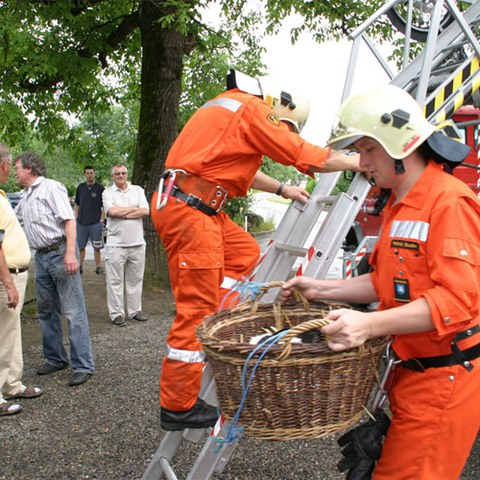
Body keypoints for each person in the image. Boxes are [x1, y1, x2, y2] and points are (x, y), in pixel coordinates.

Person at [280, 84, 480, 479]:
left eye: (367, 149)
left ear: (399, 144)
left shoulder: (448, 201)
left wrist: (368, 324)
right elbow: (386, 281)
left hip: (445, 379)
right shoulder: (401, 202)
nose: (361, 161)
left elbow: (458, 301)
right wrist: (321, 289)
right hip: (411, 373)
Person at [150, 69, 364, 431]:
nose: (283, 132)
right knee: (195, 311)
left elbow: (242, 172)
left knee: (245, 252)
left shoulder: (229, 110)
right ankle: (177, 405)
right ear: (285, 111)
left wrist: (283, 190)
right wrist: (358, 161)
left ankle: (220, 312)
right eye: (286, 126)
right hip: (192, 210)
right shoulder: (253, 109)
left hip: (197, 204)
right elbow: (300, 153)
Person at [14, 152, 95, 387]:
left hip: (60, 253)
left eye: (18, 167)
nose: (15, 171)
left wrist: (71, 253)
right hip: (41, 257)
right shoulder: (27, 196)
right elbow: (14, 221)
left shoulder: (51, 188)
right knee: (46, 310)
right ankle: (56, 358)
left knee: (73, 311)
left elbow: (69, 221)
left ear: (30, 168)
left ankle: (83, 364)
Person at [0, 144, 43, 416]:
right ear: (3, 165)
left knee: (11, 334)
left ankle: (12, 384)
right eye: (9, 164)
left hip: (15, 273)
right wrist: (7, 283)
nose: (10, 169)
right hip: (6, 277)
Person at [102, 164, 149, 327]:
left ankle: (135, 311)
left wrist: (123, 213)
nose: (121, 176)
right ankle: (117, 314)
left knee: (135, 279)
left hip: (137, 242)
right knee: (115, 281)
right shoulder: (107, 193)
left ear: (127, 174)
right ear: (113, 176)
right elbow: (111, 212)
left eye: (123, 173)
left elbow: (145, 211)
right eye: (117, 174)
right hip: (116, 245)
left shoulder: (138, 190)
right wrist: (132, 209)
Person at [74, 166, 105, 275]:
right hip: (81, 222)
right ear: (84, 174)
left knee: (97, 246)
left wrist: (102, 219)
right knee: (80, 246)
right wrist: (76, 218)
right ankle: (80, 266)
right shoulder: (80, 187)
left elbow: (104, 206)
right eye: (87, 173)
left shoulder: (100, 188)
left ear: (94, 173)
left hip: (95, 222)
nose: (89, 175)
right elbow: (77, 204)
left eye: (91, 172)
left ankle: (98, 267)